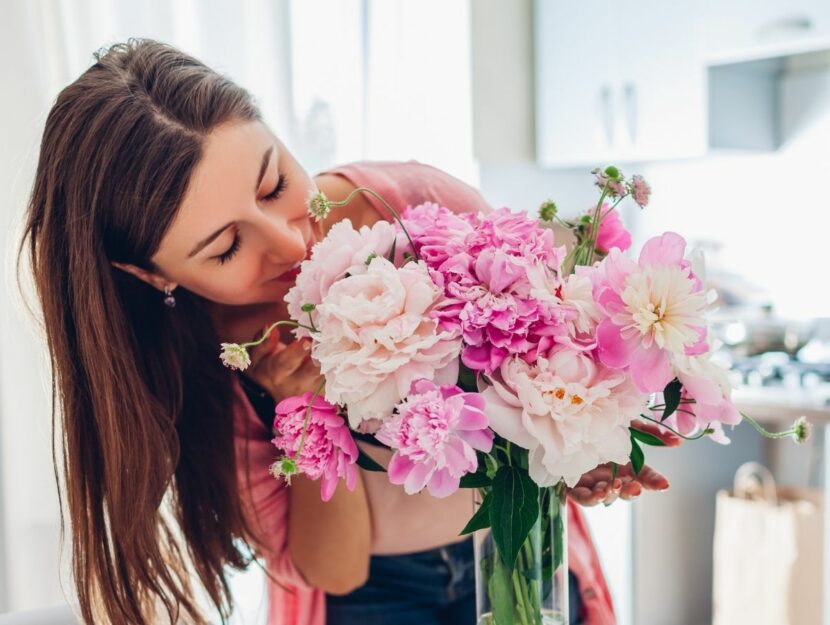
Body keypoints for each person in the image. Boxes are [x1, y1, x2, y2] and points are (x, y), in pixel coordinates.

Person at [20, 38, 674, 625]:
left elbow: (542, 369)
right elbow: (339, 570)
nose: (287, 241)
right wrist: (304, 410)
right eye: (225, 249)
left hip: (522, 556)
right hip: (373, 599)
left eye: (274, 182)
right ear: (151, 273)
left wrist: (579, 458)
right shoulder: (204, 374)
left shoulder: (410, 203)